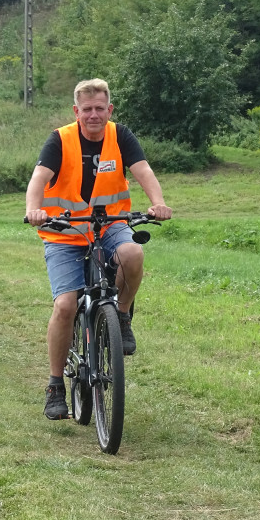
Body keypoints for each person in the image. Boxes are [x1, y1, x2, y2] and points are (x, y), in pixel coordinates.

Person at [25, 78, 173, 420]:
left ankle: (121, 316)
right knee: (65, 306)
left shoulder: (120, 136)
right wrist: (34, 209)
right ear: (77, 111)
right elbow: (38, 179)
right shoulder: (60, 140)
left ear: (110, 109)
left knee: (134, 253)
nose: (94, 115)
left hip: (110, 226)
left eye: (100, 108)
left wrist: (158, 203)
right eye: (87, 109)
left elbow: (143, 171)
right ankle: (55, 385)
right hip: (65, 231)